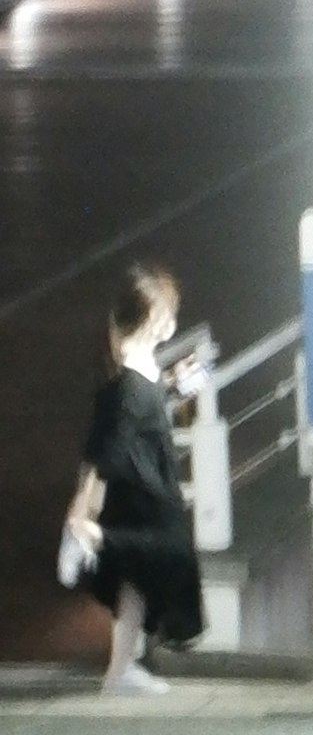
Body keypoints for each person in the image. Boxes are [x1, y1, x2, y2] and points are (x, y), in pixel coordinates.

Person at [65, 263, 203, 700]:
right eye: (163, 311)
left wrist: (174, 385)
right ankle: (93, 537)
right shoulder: (129, 375)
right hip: (145, 486)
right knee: (164, 550)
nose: (169, 319)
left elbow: (130, 418)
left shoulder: (135, 365)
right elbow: (107, 445)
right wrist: (81, 507)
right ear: (146, 316)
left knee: (135, 580)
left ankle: (120, 670)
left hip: (144, 479)